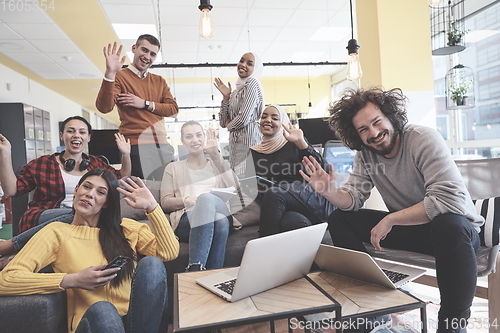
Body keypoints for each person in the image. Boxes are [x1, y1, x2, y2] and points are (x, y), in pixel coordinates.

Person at [301, 87, 483, 333]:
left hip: (458, 235)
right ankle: (370, 304)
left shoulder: (422, 138)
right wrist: (328, 191)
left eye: (377, 122)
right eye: (363, 129)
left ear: (391, 117)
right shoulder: (366, 155)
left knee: (449, 224)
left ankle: (451, 326)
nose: (373, 133)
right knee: (340, 219)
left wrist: (391, 219)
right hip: (414, 231)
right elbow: (353, 199)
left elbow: (449, 201)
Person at [0, 168, 180, 333]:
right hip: (92, 322)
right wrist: (72, 280)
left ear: (107, 203)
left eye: (100, 192)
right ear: (77, 189)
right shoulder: (57, 232)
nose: (89, 194)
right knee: (104, 309)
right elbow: (6, 279)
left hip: (135, 323)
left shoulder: (127, 229)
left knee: (152, 263)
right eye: (86, 187)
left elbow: (169, 252)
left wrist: (152, 207)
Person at [0, 116, 131, 234]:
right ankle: (13, 245)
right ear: (62, 136)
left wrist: (125, 154)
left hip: (83, 213)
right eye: (71, 131)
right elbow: (11, 190)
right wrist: (5, 153)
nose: (76, 135)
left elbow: (122, 178)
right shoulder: (43, 163)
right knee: (83, 214)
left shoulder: (96, 164)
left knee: (127, 185)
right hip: (47, 214)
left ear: (89, 137)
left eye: (82, 132)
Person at [244, 105, 336, 237]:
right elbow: (250, 185)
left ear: (283, 123)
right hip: (281, 205)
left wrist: (301, 143)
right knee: (294, 222)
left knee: (275, 192)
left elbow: (322, 168)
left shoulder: (293, 142)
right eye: (263, 117)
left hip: (309, 197)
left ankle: (263, 252)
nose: (267, 120)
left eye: (274, 118)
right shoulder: (253, 152)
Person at [95, 34, 179, 180]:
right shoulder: (120, 76)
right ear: (134, 48)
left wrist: (144, 103)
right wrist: (110, 73)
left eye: (153, 54)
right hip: (136, 145)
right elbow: (104, 108)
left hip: (162, 146)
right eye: (144, 50)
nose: (147, 56)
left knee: (166, 192)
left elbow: (173, 110)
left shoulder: (159, 81)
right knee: (140, 193)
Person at [160, 121, 240, 271]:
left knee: (206, 199)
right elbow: (165, 202)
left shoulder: (217, 164)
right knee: (220, 223)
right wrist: (187, 200)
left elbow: (236, 185)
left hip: (220, 209)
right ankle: (213, 277)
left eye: (198, 135)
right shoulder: (172, 168)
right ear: (183, 141)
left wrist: (216, 154)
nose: (195, 140)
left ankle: (195, 267)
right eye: (189, 137)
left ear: (204, 137)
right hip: (188, 219)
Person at [214, 52, 264, 175]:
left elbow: (243, 118)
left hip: (249, 138)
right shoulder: (236, 91)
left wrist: (229, 126)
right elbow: (222, 122)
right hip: (235, 142)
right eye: (241, 61)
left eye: (249, 63)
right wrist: (226, 97)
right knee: (237, 180)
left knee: (248, 179)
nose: (243, 65)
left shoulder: (252, 83)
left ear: (255, 68)